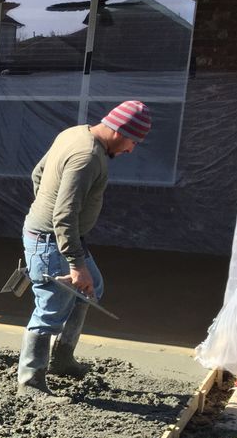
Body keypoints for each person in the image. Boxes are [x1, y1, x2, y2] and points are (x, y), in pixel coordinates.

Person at [16, 100, 152, 399]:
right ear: (120, 131)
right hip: (51, 241)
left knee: (92, 288)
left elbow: (38, 175)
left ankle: (62, 358)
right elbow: (63, 215)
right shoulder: (87, 156)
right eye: (133, 142)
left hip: (59, 237)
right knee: (50, 310)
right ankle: (30, 382)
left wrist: (46, 205)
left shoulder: (74, 133)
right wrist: (76, 265)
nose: (131, 150)